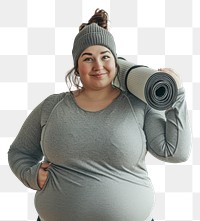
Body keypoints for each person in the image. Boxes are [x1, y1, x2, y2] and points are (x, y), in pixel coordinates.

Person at [8, 9, 191, 221]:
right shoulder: (52, 105)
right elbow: (19, 152)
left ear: (115, 62)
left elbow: (176, 152)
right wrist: (30, 175)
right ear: (76, 67)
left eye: (105, 56)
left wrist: (177, 96)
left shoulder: (138, 105)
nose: (98, 66)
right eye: (88, 58)